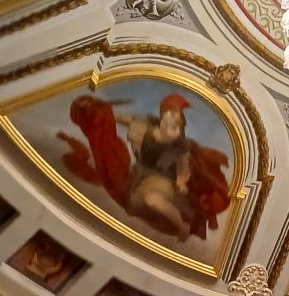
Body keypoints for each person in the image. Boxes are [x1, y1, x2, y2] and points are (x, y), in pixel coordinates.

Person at [57, 91, 231, 241]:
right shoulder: (148, 127)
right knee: (115, 172)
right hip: (142, 172)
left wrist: (181, 181)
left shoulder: (180, 146)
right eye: (168, 120)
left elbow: (183, 168)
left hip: (162, 179)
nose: (171, 126)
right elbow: (124, 119)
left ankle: (182, 227)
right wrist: (102, 114)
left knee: (151, 199)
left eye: (176, 124)